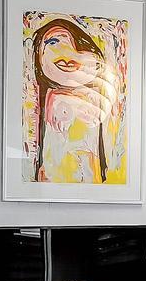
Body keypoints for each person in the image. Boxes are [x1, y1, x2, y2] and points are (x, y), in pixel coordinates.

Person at [29, 15, 119, 184]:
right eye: (53, 42)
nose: (66, 54)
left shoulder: (96, 98)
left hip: (90, 177)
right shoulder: (53, 98)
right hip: (54, 176)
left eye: (76, 46)